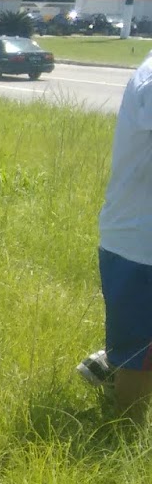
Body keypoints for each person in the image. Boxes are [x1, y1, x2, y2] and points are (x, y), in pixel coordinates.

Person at [78, 53, 152, 422]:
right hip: (140, 248)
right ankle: (125, 433)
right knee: (140, 359)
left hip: (136, 239)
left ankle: (110, 362)